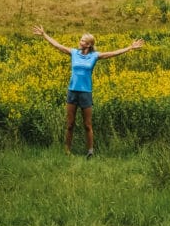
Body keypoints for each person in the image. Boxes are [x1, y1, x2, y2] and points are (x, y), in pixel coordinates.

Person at [32, 24, 144, 157]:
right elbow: (57, 45)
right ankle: (67, 151)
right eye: (81, 40)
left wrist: (130, 47)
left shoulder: (95, 56)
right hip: (72, 91)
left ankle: (90, 151)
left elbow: (113, 53)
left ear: (89, 44)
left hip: (86, 93)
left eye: (83, 41)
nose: (80, 42)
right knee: (70, 124)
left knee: (87, 125)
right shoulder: (74, 53)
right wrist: (44, 35)